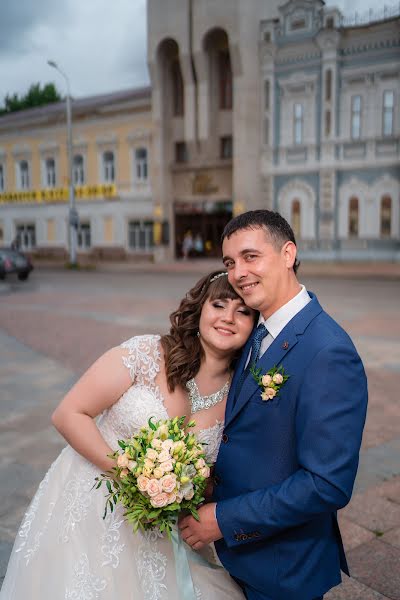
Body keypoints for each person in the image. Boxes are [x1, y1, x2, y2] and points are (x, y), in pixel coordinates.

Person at [0, 271, 256, 600]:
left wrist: (184, 488)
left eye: (243, 311)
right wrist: (133, 474)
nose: (228, 318)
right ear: (199, 310)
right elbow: (68, 414)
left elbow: (219, 479)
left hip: (162, 532)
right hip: (89, 506)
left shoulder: (241, 397)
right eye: (218, 304)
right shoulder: (147, 353)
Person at [179, 210, 368, 600]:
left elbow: (327, 484)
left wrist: (223, 519)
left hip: (283, 569)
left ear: (287, 254)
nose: (238, 273)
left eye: (251, 256)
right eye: (230, 263)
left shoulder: (328, 351)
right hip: (240, 555)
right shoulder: (256, 330)